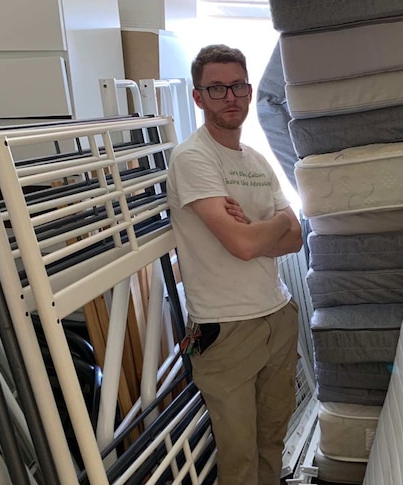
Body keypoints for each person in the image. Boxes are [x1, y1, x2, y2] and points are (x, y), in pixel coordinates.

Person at [166, 44, 303, 485]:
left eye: (239, 86)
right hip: (227, 330)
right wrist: (273, 224)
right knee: (240, 457)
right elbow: (245, 245)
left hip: (276, 314)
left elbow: (296, 237)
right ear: (198, 96)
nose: (232, 96)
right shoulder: (193, 159)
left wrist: (266, 228)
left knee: (272, 438)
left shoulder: (257, 161)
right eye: (218, 88)